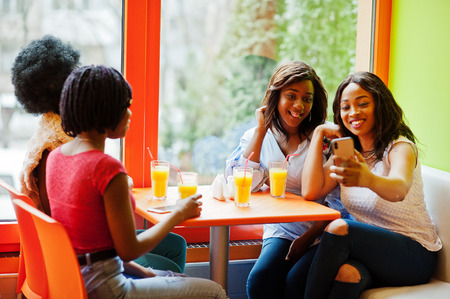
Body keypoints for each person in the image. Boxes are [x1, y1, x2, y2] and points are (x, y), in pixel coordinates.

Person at [46, 65, 227, 298]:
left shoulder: (56, 157)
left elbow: (95, 244)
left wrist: (144, 271)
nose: (130, 114)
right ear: (106, 111)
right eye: (125, 106)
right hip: (108, 289)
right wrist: (179, 214)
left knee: (173, 277)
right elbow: (129, 250)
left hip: (74, 279)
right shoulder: (106, 169)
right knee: (215, 291)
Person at [11, 35, 187, 274]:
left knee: (175, 244)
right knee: (167, 268)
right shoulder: (53, 148)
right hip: (78, 254)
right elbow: (72, 223)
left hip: (84, 242)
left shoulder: (58, 132)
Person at [301, 71, 442, 298]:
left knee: (339, 227)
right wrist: (319, 134)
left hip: (414, 255)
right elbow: (311, 190)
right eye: (345, 107)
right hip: (372, 252)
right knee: (348, 274)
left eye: (362, 104)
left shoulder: (399, 147)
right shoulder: (348, 150)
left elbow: (399, 189)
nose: (353, 112)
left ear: (380, 105)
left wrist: (367, 178)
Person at [225, 60, 350, 299]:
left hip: (322, 231)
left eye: (307, 99)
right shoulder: (257, 136)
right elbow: (242, 184)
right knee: (260, 281)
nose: (299, 105)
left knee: (295, 283)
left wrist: (309, 236)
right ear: (276, 96)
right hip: (282, 230)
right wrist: (261, 131)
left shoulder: (324, 139)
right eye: (291, 96)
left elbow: (340, 200)